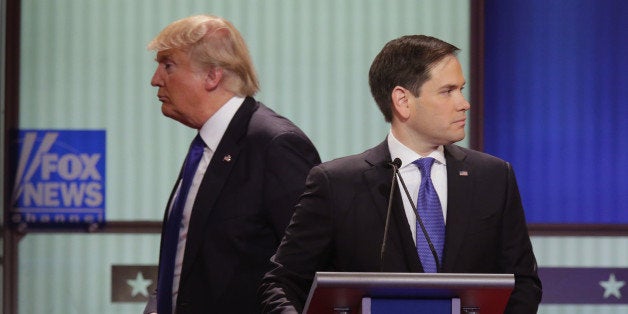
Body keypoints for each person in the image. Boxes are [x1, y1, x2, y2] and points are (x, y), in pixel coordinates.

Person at [258, 35, 542, 313]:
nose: (463, 103)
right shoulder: (337, 184)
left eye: (461, 89)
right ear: (403, 100)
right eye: (448, 91)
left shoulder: (493, 177)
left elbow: (523, 284)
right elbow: (282, 283)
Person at [143, 14, 320, 314]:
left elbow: (308, 268)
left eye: (168, 65)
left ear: (212, 76)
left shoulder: (275, 144)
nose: (155, 78)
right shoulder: (206, 145)